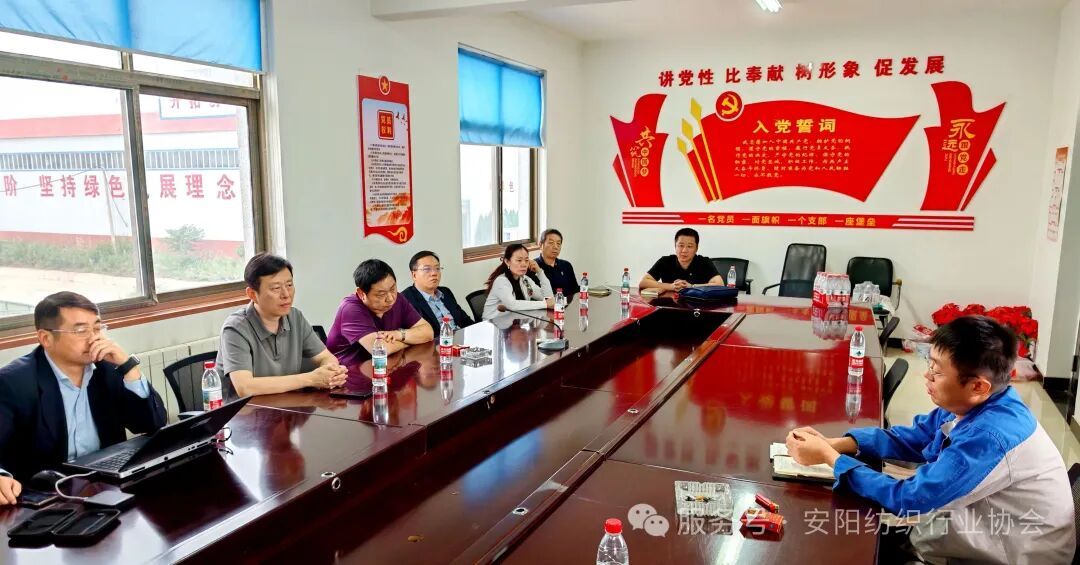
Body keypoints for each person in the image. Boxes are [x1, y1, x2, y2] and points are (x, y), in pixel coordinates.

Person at [785, 316, 1075, 564]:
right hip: (970, 530)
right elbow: (914, 438)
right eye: (929, 363)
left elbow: (909, 498)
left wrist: (830, 459)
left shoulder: (989, 437)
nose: (927, 375)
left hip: (1009, 555)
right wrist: (837, 444)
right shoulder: (977, 403)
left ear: (977, 386)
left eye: (937, 370)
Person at [0, 292, 166, 502]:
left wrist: (128, 367)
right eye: (81, 330)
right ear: (46, 338)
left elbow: (152, 424)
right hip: (46, 497)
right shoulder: (14, 382)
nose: (94, 338)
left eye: (97, 328)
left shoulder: (107, 369)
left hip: (106, 487)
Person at [217, 253, 347, 398]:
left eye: (289, 285)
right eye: (276, 288)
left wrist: (331, 373)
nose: (286, 294)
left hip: (290, 406)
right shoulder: (236, 328)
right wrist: (310, 379)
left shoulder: (295, 317)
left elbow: (326, 358)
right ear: (252, 294)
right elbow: (245, 387)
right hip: (247, 411)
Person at [326, 259, 434, 367]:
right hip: (348, 373)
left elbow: (428, 332)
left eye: (393, 289)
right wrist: (412, 340)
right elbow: (381, 349)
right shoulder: (351, 309)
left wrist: (398, 334)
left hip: (386, 367)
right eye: (381, 294)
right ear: (361, 293)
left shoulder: (398, 299)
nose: (390, 298)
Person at [400, 251, 473, 332]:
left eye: (437, 268)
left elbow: (465, 320)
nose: (434, 273)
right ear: (414, 275)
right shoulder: (405, 300)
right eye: (427, 269)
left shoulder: (445, 292)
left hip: (460, 337)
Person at [639, 228, 725, 292]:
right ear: (675, 246)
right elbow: (643, 282)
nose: (684, 250)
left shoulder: (704, 262)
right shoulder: (665, 261)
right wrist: (671, 286)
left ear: (696, 248)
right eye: (681, 245)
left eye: (689, 246)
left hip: (697, 306)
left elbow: (720, 284)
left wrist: (692, 286)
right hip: (669, 306)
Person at [482, 243, 554, 320]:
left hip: (514, 323)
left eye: (526, 260)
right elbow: (512, 305)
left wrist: (539, 272)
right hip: (493, 323)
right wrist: (545, 304)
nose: (524, 264)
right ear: (507, 261)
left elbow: (548, 298)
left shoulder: (525, 280)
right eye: (519, 260)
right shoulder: (501, 281)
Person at [535, 228, 580, 301]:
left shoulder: (566, 265)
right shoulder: (534, 267)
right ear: (540, 245)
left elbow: (575, 290)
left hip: (569, 305)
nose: (555, 247)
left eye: (558, 243)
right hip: (547, 306)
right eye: (551, 243)